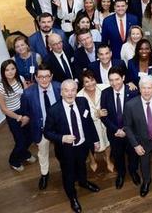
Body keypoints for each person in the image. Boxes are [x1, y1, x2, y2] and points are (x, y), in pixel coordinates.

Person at [43, 79, 100, 213]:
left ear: (76, 91)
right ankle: (72, 196)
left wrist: (95, 140)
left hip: (82, 144)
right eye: (66, 90)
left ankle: (83, 182)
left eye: (73, 90)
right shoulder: (54, 110)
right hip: (65, 149)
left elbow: (89, 122)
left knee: (82, 165)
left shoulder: (83, 102)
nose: (70, 93)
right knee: (68, 173)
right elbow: (47, 132)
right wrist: (62, 138)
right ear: (61, 92)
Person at [99, 68, 140, 189]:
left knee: (133, 154)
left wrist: (126, 130)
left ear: (123, 78)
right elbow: (104, 116)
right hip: (114, 133)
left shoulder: (133, 91)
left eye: (117, 79)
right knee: (117, 155)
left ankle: (133, 171)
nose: (114, 83)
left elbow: (137, 115)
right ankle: (121, 174)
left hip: (131, 132)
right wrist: (116, 130)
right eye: (111, 80)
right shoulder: (105, 93)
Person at [20, 66, 60, 190]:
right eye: (41, 77)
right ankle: (44, 174)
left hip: (59, 129)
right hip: (41, 130)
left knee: (63, 151)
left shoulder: (59, 87)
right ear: (36, 78)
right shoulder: (28, 94)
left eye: (47, 76)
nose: (44, 80)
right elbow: (26, 112)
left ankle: (66, 169)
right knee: (43, 153)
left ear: (51, 76)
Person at [0, 59, 34, 172]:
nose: (10, 72)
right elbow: (4, 109)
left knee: (30, 137)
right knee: (20, 142)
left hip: (24, 111)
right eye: (7, 70)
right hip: (13, 115)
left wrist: (26, 114)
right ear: (3, 72)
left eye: (12, 69)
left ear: (16, 69)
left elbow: (26, 96)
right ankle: (13, 161)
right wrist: (19, 118)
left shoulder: (20, 79)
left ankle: (25, 154)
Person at [77, 71, 112, 173]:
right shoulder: (79, 96)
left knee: (108, 142)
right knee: (90, 145)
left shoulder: (105, 88)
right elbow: (82, 116)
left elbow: (117, 86)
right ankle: (92, 161)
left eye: (92, 80)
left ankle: (108, 159)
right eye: (86, 82)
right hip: (90, 126)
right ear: (83, 84)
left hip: (105, 123)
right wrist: (96, 114)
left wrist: (130, 84)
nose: (90, 83)